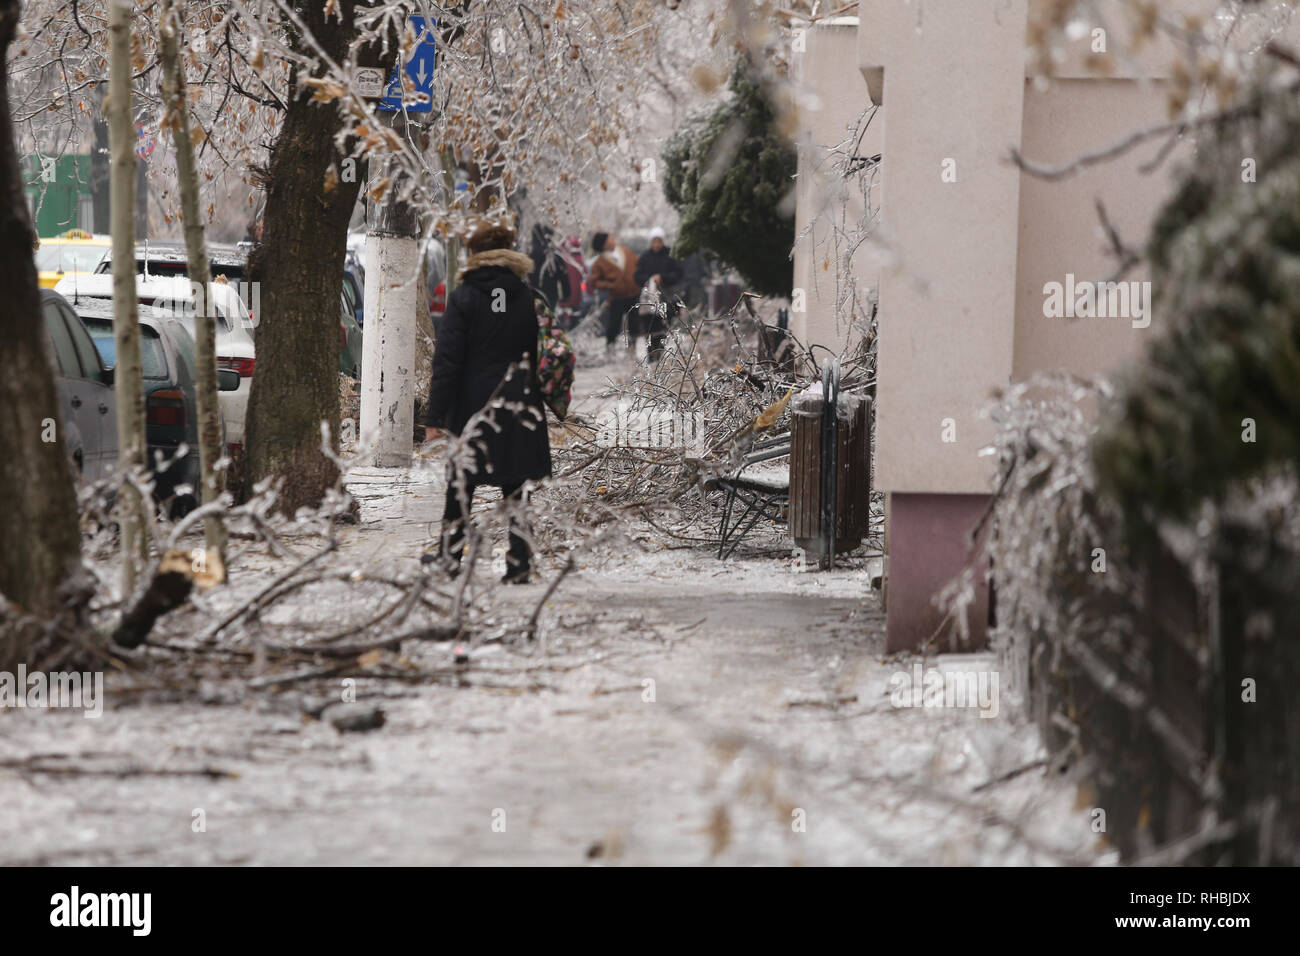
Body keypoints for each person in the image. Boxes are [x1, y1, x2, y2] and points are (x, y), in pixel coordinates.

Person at [423, 221, 552, 584]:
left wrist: (435, 417)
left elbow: (448, 360)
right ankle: (520, 563)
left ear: (474, 253)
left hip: (474, 405)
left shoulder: (464, 296)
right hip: (519, 400)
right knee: (516, 484)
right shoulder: (528, 295)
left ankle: (450, 558)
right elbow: (541, 351)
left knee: (462, 482)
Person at [633, 226, 684, 363]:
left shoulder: (670, 255)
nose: (656, 244)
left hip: (666, 300)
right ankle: (651, 357)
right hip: (648, 301)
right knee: (649, 329)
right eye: (654, 241)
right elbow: (637, 276)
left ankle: (659, 356)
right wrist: (650, 279)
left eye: (659, 241)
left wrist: (663, 278)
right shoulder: (644, 257)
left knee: (662, 330)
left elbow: (678, 274)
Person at [587, 231, 640, 351]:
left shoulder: (626, 252)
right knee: (614, 324)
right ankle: (610, 348)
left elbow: (638, 266)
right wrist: (610, 285)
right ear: (604, 244)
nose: (612, 240)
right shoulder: (600, 262)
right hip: (617, 297)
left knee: (634, 324)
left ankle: (632, 348)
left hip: (633, 294)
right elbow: (594, 282)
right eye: (608, 239)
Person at [528, 223, 571, 313]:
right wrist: (566, 295)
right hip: (550, 295)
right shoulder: (554, 256)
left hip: (530, 295)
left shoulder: (528, 254)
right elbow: (563, 276)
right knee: (547, 321)